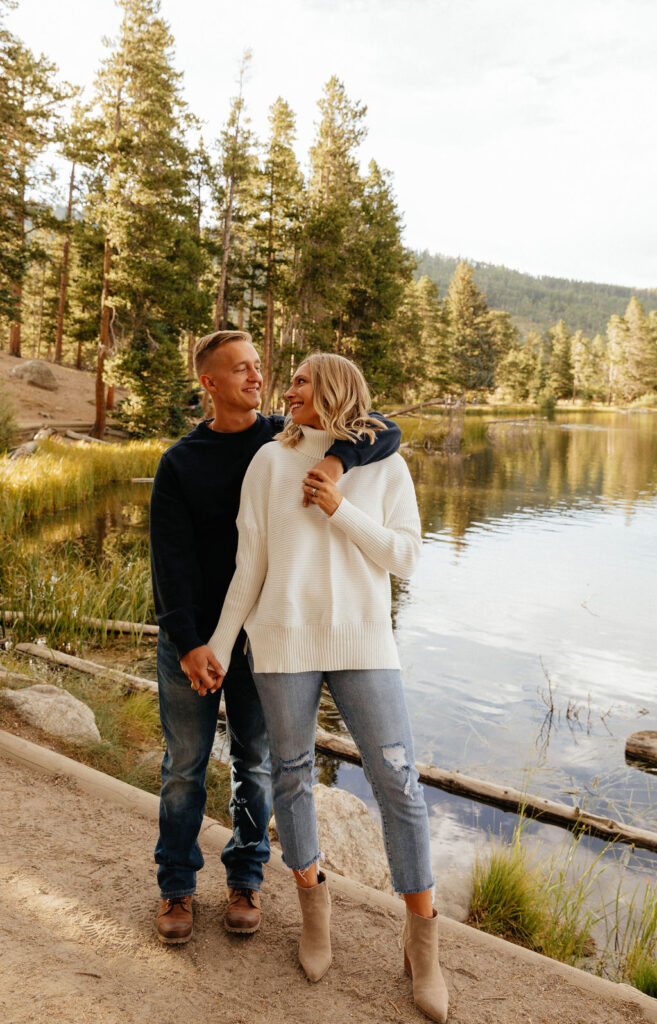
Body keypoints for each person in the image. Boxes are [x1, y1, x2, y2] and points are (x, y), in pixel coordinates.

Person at [204, 352, 448, 1023]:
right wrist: (222, 647)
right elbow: (248, 564)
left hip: (364, 642)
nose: (289, 389)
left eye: (303, 381)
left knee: (397, 778)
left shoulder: (382, 463)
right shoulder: (267, 462)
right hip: (282, 642)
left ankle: (422, 940)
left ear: (335, 389)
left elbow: (405, 557)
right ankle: (315, 908)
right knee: (290, 774)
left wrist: (341, 509)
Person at [149, 330, 401, 945]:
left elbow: (383, 428)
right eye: (241, 369)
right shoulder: (179, 462)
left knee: (254, 763)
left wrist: (337, 462)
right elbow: (169, 562)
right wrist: (190, 644)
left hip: (263, 639)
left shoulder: (281, 438)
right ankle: (177, 888)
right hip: (195, 639)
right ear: (209, 383)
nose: (257, 378)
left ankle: (245, 876)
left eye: (259, 367)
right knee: (184, 766)